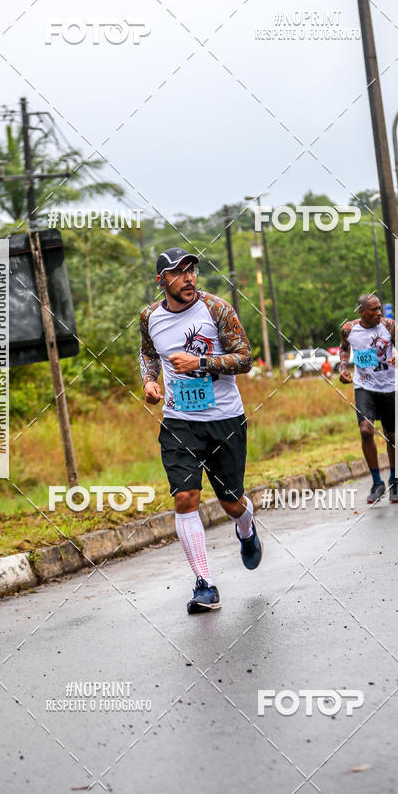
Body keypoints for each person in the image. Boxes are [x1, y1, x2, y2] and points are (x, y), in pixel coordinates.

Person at [139, 247, 263, 614]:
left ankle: (246, 526)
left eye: (192, 270)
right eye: (179, 272)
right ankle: (205, 584)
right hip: (180, 422)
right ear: (162, 281)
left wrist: (201, 361)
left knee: (230, 502)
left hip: (225, 420)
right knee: (185, 499)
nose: (189, 277)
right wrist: (149, 381)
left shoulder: (217, 309)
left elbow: (245, 359)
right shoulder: (149, 317)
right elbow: (148, 353)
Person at [339, 294, 398, 504]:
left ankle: (394, 481)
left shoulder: (389, 326)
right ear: (362, 312)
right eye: (374, 310)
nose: (378, 313)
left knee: (392, 437)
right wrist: (343, 368)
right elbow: (344, 349)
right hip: (364, 386)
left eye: (379, 309)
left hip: (389, 386)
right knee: (366, 430)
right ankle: (377, 482)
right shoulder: (349, 329)